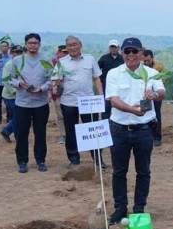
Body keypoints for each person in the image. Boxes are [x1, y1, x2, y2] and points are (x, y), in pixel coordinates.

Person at [105, 37, 166, 224]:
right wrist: (132, 110)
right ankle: (120, 209)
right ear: (122, 53)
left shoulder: (151, 73)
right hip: (119, 129)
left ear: (141, 53)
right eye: (127, 51)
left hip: (144, 130)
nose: (130, 55)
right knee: (119, 172)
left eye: (134, 51)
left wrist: (154, 94)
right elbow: (113, 100)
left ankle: (139, 208)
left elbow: (162, 91)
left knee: (143, 171)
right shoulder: (114, 73)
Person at [52, 36, 104, 166]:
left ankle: (98, 159)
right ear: (66, 47)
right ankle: (74, 159)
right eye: (69, 45)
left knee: (92, 131)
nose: (72, 47)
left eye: (75, 44)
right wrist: (56, 85)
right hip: (68, 102)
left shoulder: (90, 59)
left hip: (89, 102)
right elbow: (55, 83)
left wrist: (101, 96)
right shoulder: (61, 62)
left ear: (80, 45)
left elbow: (97, 78)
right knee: (70, 132)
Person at [11, 33, 51, 173]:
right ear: (26, 44)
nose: (33, 45)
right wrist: (19, 83)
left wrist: (42, 88)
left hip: (41, 103)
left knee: (40, 133)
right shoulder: (17, 60)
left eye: (35, 43)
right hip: (22, 104)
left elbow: (51, 79)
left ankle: (40, 160)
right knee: (21, 133)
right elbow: (10, 79)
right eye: (30, 43)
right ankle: (22, 161)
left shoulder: (45, 60)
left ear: (39, 44)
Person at [0, 45, 22, 142]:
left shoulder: (21, 63)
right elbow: (5, 81)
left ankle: (11, 132)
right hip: (10, 96)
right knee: (18, 116)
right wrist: (14, 92)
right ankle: (7, 131)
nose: (17, 54)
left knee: (18, 116)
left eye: (20, 52)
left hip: (19, 95)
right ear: (12, 53)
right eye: (15, 52)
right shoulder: (9, 64)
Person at [143, 49, 165, 146]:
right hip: (145, 96)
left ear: (152, 58)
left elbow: (164, 76)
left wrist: (157, 91)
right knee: (145, 115)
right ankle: (147, 136)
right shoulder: (141, 69)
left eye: (148, 60)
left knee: (156, 115)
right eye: (145, 61)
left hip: (156, 96)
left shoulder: (159, 67)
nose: (147, 62)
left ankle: (157, 137)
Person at [98, 39, 124, 119]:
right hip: (106, 86)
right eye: (111, 47)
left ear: (118, 48)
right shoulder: (104, 58)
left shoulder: (122, 59)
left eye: (115, 47)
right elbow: (96, 70)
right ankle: (105, 124)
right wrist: (101, 80)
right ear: (109, 48)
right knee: (106, 107)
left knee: (119, 106)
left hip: (120, 86)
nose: (113, 49)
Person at [50, 46, 69, 144]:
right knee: (60, 115)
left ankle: (70, 134)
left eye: (67, 52)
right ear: (58, 52)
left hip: (70, 94)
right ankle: (63, 135)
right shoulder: (53, 63)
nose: (65, 54)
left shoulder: (70, 62)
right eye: (63, 52)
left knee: (70, 115)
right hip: (58, 93)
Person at [0, 39, 11, 126]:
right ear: (0, 47)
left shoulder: (11, 58)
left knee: (8, 102)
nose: (4, 47)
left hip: (8, 83)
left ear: (8, 47)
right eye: (3, 46)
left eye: (6, 46)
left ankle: (9, 118)